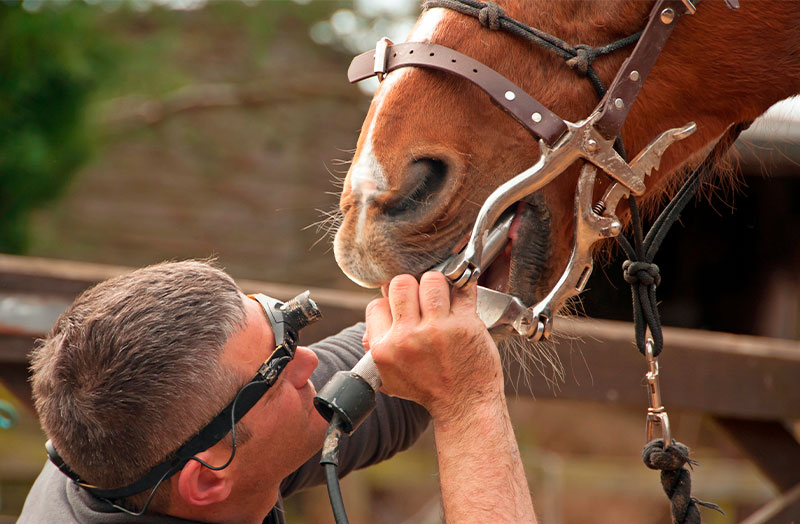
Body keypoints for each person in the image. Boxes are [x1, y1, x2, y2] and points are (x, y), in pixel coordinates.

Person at [18, 260, 536, 523]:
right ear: (207, 476)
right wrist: (470, 405)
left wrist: (474, 277)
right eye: (275, 371)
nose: (309, 361)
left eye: (286, 334)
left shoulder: (136, 451)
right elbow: (453, 390)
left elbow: (401, 381)